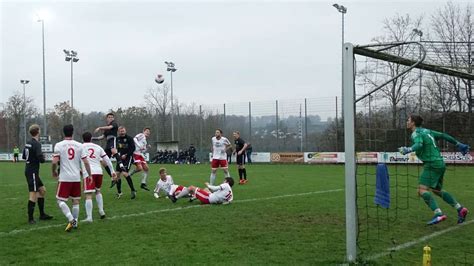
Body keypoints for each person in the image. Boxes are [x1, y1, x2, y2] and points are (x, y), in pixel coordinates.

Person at [398, 115, 470, 225]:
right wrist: (458, 144)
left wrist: (408, 149)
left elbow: (419, 144)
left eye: (408, 120)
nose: (407, 122)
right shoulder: (427, 131)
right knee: (437, 190)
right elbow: (443, 135)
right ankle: (460, 209)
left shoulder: (416, 133)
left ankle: (438, 214)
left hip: (431, 164)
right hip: (440, 163)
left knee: (421, 190)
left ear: (413, 123)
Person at [52, 124, 92, 232]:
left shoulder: (59, 145)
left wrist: (54, 171)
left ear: (63, 132)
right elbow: (86, 162)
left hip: (65, 177)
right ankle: (75, 223)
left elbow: (54, 161)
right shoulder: (80, 145)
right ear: (73, 132)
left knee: (60, 200)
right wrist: (89, 174)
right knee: (76, 201)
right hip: (76, 177)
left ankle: (71, 219)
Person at [81, 132, 117, 222]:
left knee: (88, 194)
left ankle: (89, 217)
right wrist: (112, 171)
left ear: (83, 139)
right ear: (91, 139)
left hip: (89, 172)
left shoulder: (80, 147)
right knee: (98, 191)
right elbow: (107, 159)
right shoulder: (98, 147)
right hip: (99, 172)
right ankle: (101, 211)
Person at [22, 124, 53, 224]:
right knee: (33, 194)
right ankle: (30, 219)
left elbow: (23, 156)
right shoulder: (37, 144)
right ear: (38, 131)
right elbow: (40, 158)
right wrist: (43, 158)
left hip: (30, 170)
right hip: (32, 172)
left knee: (42, 190)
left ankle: (42, 214)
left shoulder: (28, 143)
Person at [93, 112, 120, 184]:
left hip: (113, 140)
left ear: (113, 118)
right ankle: (112, 176)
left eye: (112, 117)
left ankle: (121, 165)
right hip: (108, 143)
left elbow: (110, 127)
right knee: (103, 161)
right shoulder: (106, 128)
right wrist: (92, 138)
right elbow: (101, 137)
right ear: (107, 118)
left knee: (114, 151)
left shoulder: (114, 124)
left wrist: (99, 128)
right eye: (109, 117)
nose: (111, 118)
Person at [113, 126, 137, 199]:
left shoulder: (129, 138)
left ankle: (133, 190)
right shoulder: (117, 139)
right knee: (117, 175)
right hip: (120, 159)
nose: (122, 132)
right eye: (120, 131)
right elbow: (116, 148)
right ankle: (119, 192)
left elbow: (133, 148)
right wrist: (116, 154)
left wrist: (126, 155)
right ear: (118, 132)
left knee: (125, 173)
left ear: (125, 131)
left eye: (123, 131)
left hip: (128, 158)